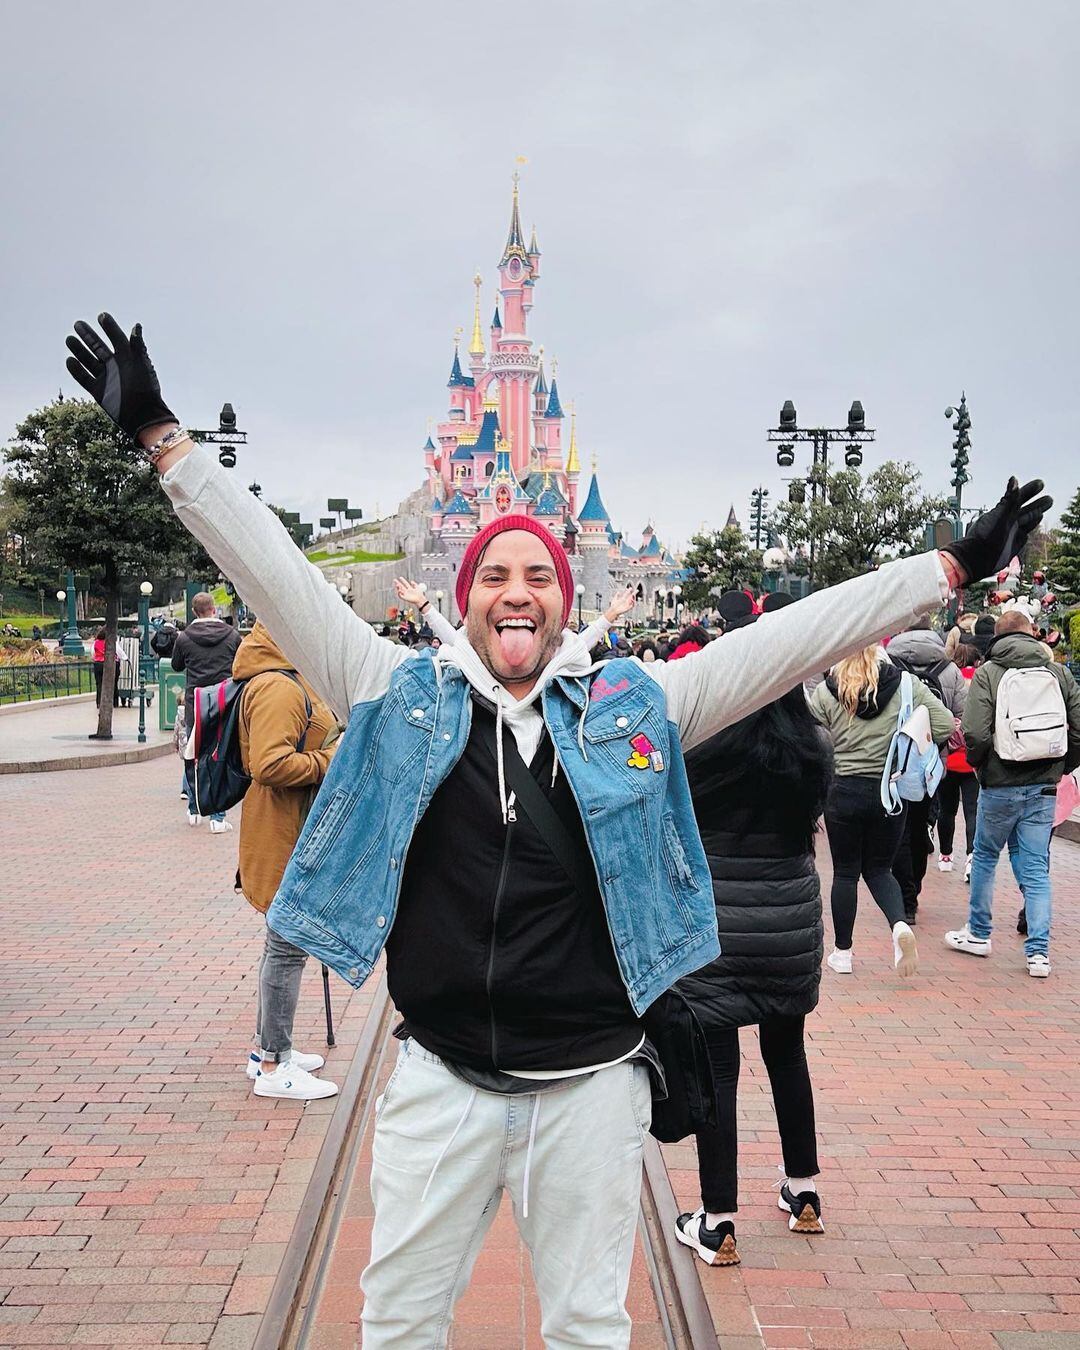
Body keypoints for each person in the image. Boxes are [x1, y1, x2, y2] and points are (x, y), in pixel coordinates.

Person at [64, 311, 1048, 1349]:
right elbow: (276, 574)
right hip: (440, 1078)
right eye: (494, 575)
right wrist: (168, 443)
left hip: (588, 1091)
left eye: (537, 575)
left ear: (563, 602)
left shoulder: (638, 705)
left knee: (587, 1330)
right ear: (467, 600)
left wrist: (944, 571)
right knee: (397, 1327)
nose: (516, 590)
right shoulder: (395, 691)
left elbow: (794, 638)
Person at [674, 684, 832, 1266]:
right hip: (788, 921)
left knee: (717, 1072)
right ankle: (804, 1189)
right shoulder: (811, 748)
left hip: (717, 922)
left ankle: (717, 1221)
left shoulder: (704, 745)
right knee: (787, 1055)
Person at [233, 622, 340, 1100]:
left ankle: (267, 1051)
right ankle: (276, 1064)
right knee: (286, 948)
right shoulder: (277, 685)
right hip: (283, 829)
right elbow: (270, 765)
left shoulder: (283, 676)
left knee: (281, 946)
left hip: (285, 825)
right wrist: (330, 760)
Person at [945, 610, 1080, 977]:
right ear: (1032, 633)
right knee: (1036, 868)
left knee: (986, 856)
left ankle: (979, 932)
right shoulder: (1058, 673)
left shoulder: (990, 673)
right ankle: (1038, 954)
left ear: (998, 638)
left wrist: (981, 765)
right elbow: (1078, 726)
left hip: (1000, 783)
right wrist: (1062, 767)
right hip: (1044, 784)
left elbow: (973, 731)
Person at [809, 645, 954, 976]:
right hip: (889, 791)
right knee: (879, 870)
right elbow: (945, 724)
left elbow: (809, 738)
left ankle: (842, 953)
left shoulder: (826, 692)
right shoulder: (906, 686)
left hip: (841, 791)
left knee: (845, 872)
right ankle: (900, 926)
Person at [886, 616, 968, 922]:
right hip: (930, 766)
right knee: (919, 827)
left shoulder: (889, 665)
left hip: (892, 762)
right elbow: (960, 722)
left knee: (896, 829)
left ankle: (899, 894)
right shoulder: (950, 671)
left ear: (904, 630)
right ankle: (912, 893)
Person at [172, 591, 242, 833]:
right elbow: (241, 664)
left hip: (195, 702)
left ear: (194, 612)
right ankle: (218, 817)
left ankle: (194, 809)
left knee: (193, 753)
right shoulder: (232, 636)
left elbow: (176, 665)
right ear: (214, 609)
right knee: (220, 753)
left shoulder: (183, 638)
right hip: (224, 699)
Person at [937, 643, 982, 879]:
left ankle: (945, 855)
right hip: (972, 757)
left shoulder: (947, 676)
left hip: (949, 755)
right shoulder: (980, 678)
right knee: (972, 810)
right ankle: (971, 858)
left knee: (947, 810)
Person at [91, 626, 121, 707]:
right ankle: (114, 702)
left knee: (99, 684)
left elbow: (92, 653)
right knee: (113, 683)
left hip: (98, 664)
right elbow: (118, 652)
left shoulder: (96, 642)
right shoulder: (110, 642)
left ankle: (99, 702)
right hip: (108, 663)